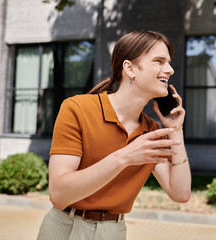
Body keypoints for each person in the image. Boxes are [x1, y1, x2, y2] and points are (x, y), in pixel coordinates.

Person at [37, 31, 191, 240]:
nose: (170, 70)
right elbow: (58, 194)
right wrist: (125, 156)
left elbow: (180, 193)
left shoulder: (153, 131)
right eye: (159, 61)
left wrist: (176, 131)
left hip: (114, 232)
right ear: (129, 68)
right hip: (66, 227)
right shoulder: (78, 109)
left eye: (169, 63)